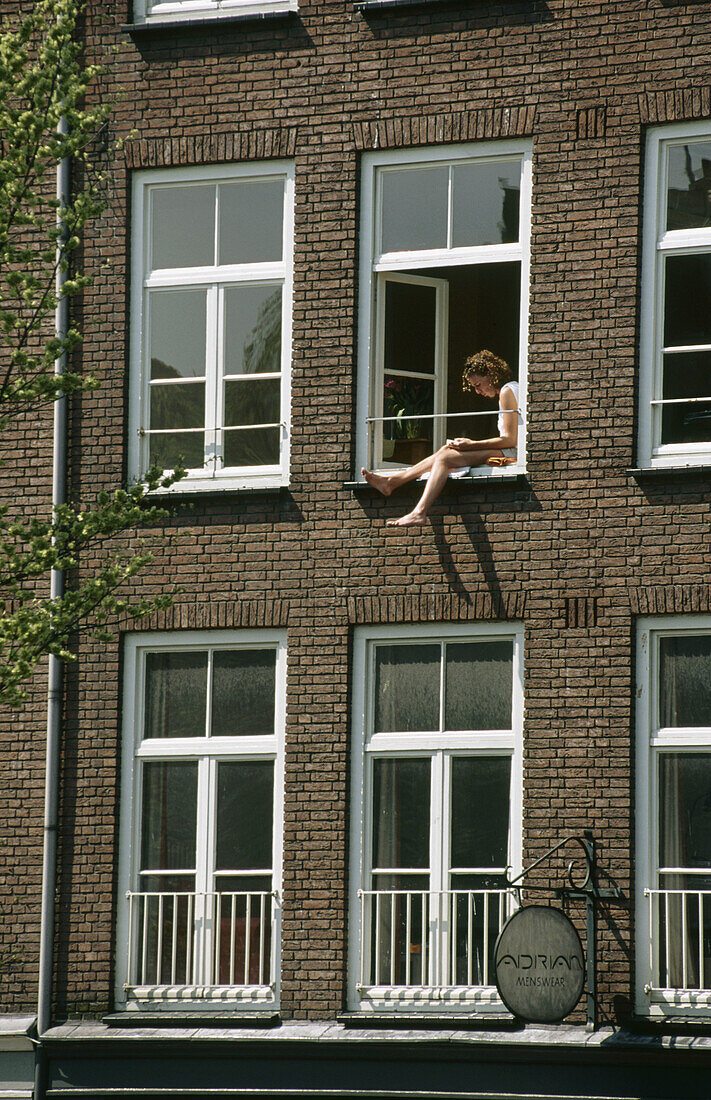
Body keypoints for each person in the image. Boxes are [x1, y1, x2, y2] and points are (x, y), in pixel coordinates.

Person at [362, 349, 519, 528]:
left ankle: (419, 512)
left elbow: (510, 439)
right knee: (446, 450)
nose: (477, 391)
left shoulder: (507, 391)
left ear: (491, 375)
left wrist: (471, 445)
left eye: (478, 385)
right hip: (507, 448)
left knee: (445, 458)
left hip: (510, 451)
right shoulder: (510, 389)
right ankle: (392, 481)